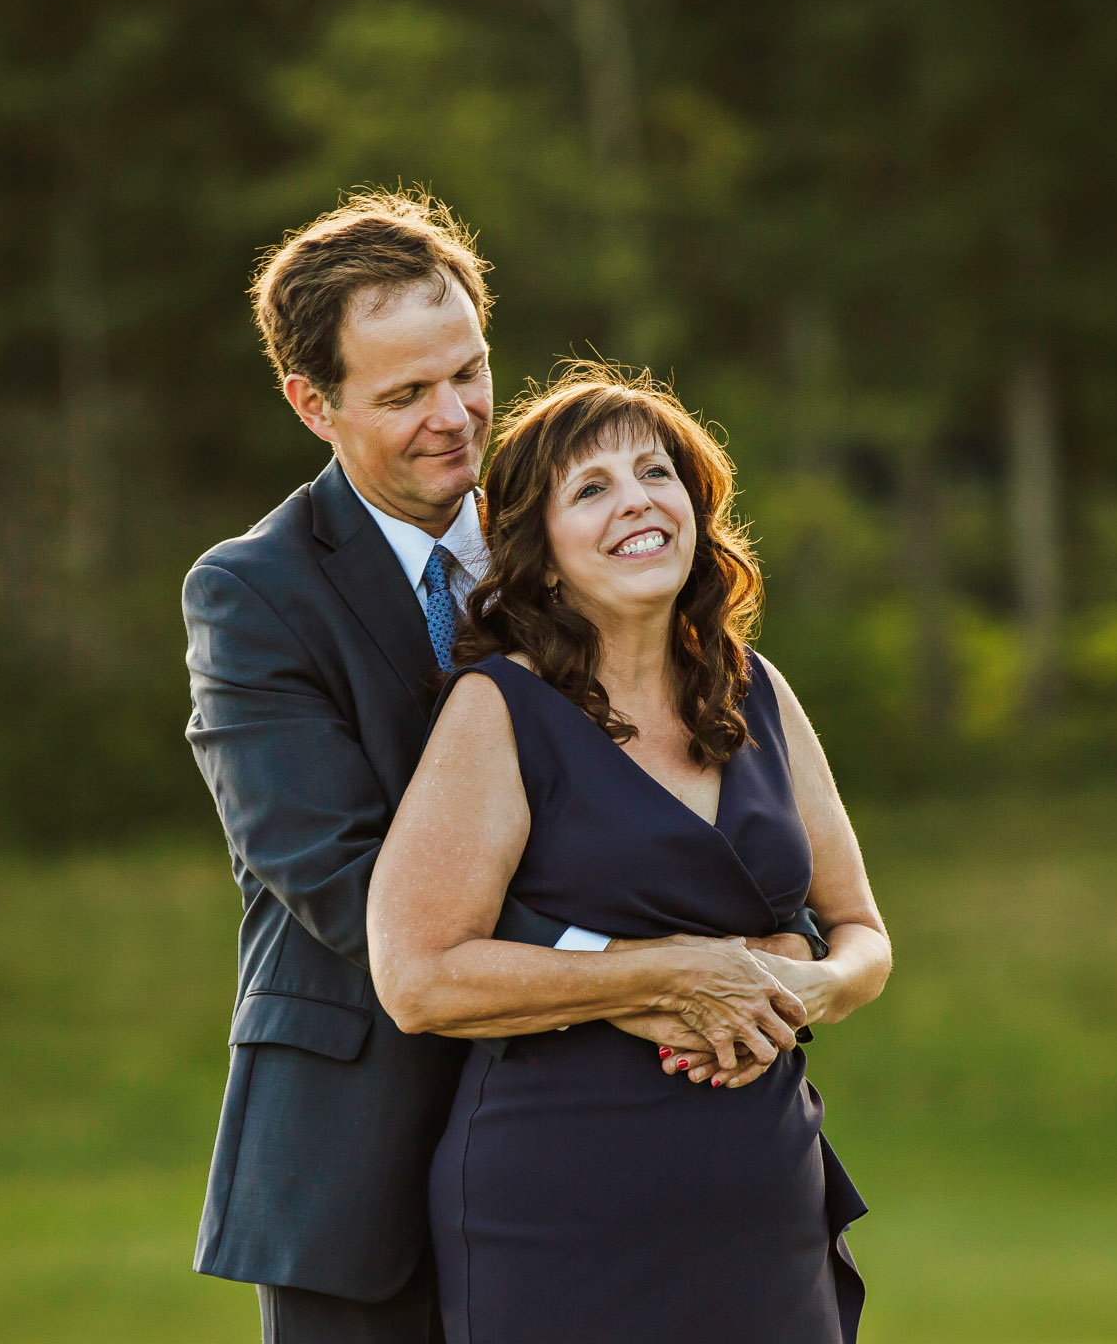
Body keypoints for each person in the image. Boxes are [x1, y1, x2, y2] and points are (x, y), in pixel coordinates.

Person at [183, 190, 820, 1344]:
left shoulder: (568, 536)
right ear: (311, 404)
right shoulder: (250, 595)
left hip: (602, 1150)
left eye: (468, 371)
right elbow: (336, 876)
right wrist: (646, 972)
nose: (456, 417)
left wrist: (759, 952)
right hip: (359, 1141)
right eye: (404, 395)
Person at [368, 365, 894, 1344]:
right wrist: (683, 973)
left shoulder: (757, 692)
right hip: (559, 1217)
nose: (636, 502)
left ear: (694, 507)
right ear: (542, 550)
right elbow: (419, 975)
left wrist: (809, 990)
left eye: (655, 473)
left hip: (761, 1208)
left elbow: (861, 932)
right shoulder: (500, 710)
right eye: (591, 488)